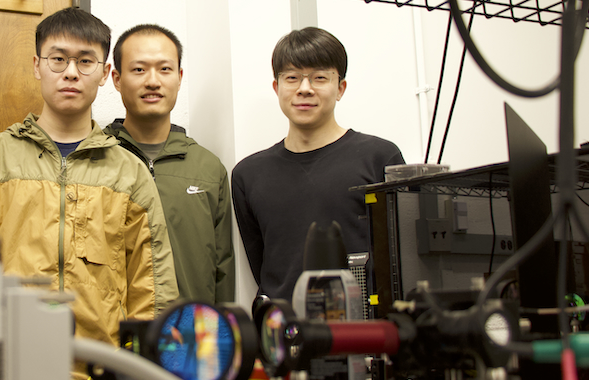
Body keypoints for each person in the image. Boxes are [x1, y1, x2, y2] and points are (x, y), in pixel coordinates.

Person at [0, 7, 178, 346]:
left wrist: (137, 377)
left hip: (100, 377)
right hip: (8, 373)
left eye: (85, 61)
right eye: (58, 59)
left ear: (104, 73)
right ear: (37, 65)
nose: (71, 73)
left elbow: (153, 288)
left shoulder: (130, 173)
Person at [231, 27, 403, 301]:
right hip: (285, 333)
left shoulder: (379, 158)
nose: (305, 89)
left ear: (340, 88)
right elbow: (263, 265)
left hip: (366, 333)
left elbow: (402, 260)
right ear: (277, 87)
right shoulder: (248, 175)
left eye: (319, 77)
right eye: (292, 78)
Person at [105, 24, 234, 304]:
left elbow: (222, 269)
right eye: (139, 69)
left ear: (179, 76)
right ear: (116, 78)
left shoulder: (208, 168)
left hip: (190, 338)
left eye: (165, 69)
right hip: (111, 339)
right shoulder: (93, 158)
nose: (153, 81)